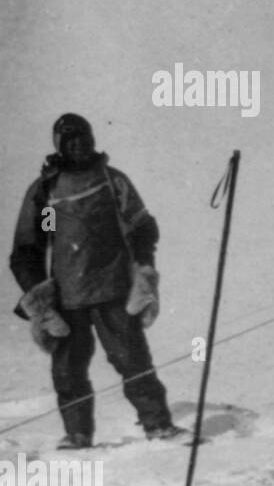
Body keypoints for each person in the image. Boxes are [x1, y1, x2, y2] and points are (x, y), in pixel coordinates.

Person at [9, 113, 181, 448]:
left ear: (92, 139)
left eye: (83, 138)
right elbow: (33, 245)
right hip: (67, 299)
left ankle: (158, 426)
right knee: (68, 371)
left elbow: (141, 227)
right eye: (70, 141)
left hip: (114, 290)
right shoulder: (48, 193)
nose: (79, 146)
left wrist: (144, 270)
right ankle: (77, 435)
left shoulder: (110, 181)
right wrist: (41, 298)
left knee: (132, 359)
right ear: (59, 146)